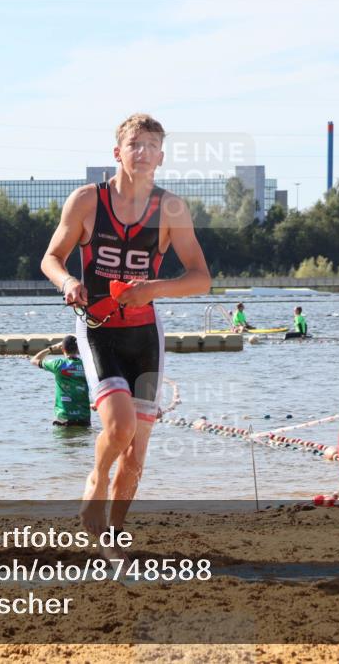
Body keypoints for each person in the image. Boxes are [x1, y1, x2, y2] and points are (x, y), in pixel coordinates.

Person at [40, 113, 211, 537]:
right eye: (135, 145)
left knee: (136, 453)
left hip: (144, 334)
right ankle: (95, 485)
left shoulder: (171, 208)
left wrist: (153, 288)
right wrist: (69, 281)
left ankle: (113, 534)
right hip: (98, 328)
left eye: (152, 146)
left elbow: (200, 278)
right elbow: (50, 258)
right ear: (118, 152)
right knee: (119, 426)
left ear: (162, 157)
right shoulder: (86, 201)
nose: (143, 153)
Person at [30, 335, 91, 427]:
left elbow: (34, 360)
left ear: (63, 349)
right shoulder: (87, 365)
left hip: (63, 417)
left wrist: (51, 348)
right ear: (78, 349)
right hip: (83, 417)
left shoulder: (58, 364)